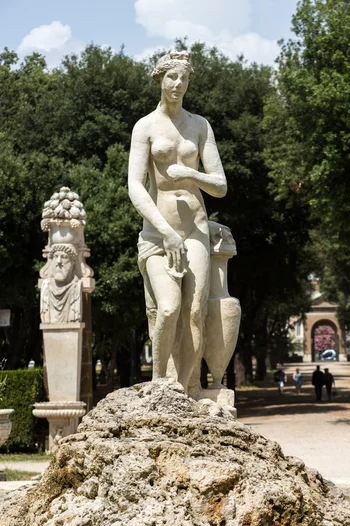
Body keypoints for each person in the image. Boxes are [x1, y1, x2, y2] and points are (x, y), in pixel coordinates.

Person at [128, 51, 227, 394]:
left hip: (196, 229)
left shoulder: (200, 125)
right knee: (168, 308)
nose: (178, 84)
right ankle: (159, 386)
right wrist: (166, 232)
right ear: (160, 79)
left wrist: (188, 172)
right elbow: (135, 187)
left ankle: (187, 392)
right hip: (158, 233)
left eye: (183, 78)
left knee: (195, 312)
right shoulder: (145, 127)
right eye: (172, 77)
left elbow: (220, 186)